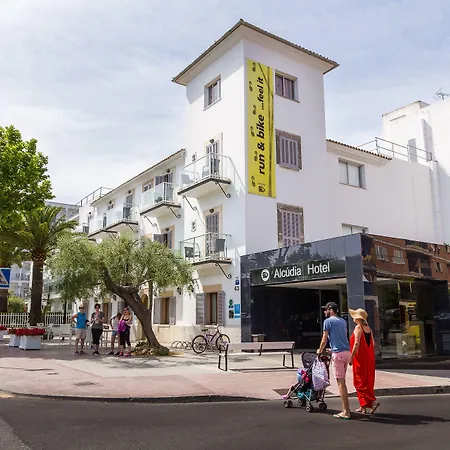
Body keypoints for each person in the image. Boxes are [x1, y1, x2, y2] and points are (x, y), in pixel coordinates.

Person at [317, 302, 351, 420]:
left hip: (338, 355)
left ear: (330, 310)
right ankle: (346, 409)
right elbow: (341, 337)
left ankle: (346, 411)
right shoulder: (343, 321)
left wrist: (320, 350)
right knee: (343, 382)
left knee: (341, 383)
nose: (325, 312)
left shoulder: (328, 322)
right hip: (346, 353)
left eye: (326, 310)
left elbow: (324, 338)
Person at [349, 308, 380, 415]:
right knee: (367, 381)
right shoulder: (368, 328)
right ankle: (363, 406)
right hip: (369, 358)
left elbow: (356, 343)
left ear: (358, 318)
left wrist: (351, 357)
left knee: (359, 382)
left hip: (360, 359)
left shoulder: (358, 327)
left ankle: (373, 402)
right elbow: (373, 343)